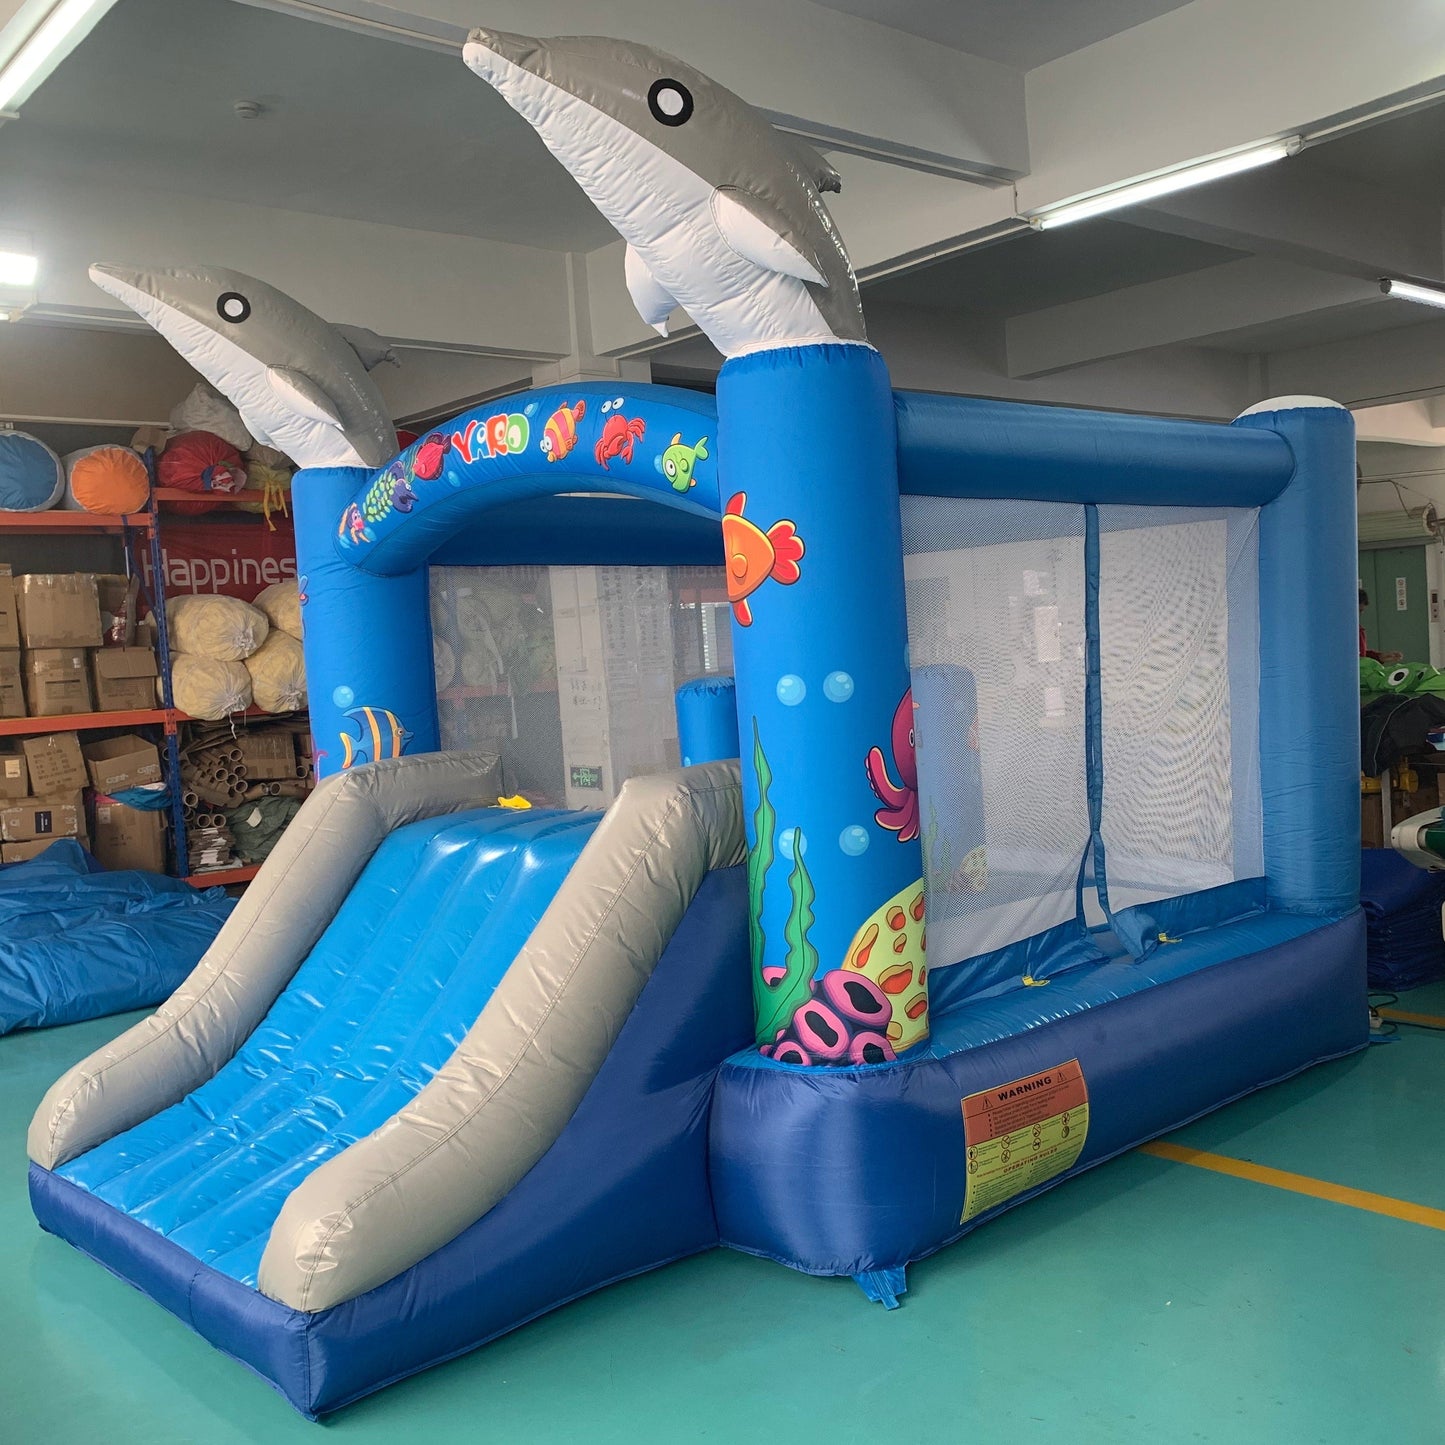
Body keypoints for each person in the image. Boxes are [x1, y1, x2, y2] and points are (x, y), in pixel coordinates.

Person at [1359, 587, 1404, 663]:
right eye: (1359, 611)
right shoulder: (1345, 630)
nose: (1360, 614)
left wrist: (1379, 657)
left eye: (1361, 611)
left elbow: (1360, 655)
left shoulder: (1358, 629)